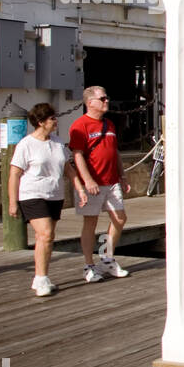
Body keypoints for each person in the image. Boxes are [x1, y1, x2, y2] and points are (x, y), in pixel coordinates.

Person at [8, 103, 86, 296]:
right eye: (52, 118)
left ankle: (40, 276)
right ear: (41, 122)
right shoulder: (26, 144)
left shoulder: (58, 143)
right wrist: (12, 201)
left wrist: (80, 189)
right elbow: (14, 174)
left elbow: (68, 169)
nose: (55, 121)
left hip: (54, 195)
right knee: (45, 234)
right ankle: (41, 278)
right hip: (32, 194)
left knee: (47, 238)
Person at [70, 85, 131, 282]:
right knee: (91, 222)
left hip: (112, 181)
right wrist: (87, 180)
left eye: (106, 98)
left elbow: (115, 152)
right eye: (103, 99)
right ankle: (89, 265)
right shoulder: (80, 125)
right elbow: (77, 155)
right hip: (94, 183)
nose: (107, 101)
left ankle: (106, 258)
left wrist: (122, 175)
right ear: (90, 103)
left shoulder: (109, 125)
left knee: (120, 219)